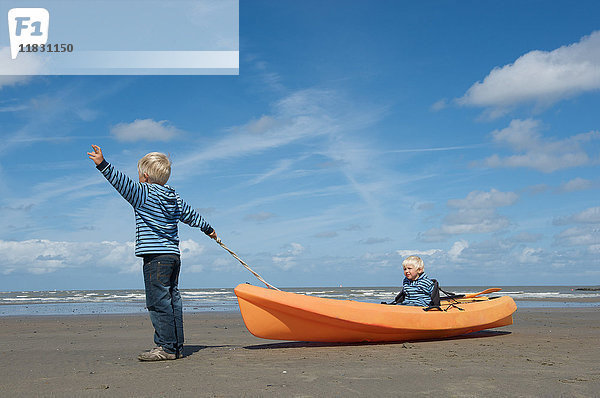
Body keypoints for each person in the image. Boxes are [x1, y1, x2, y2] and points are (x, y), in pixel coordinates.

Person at [87, 145, 218, 361]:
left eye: (138, 173)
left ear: (145, 176)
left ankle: (166, 348)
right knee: (172, 299)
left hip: (155, 257)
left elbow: (120, 183)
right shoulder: (173, 196)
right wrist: (208, 229)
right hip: (173, 257)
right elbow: (192, 215)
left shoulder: (142, 193)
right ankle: (176, 346)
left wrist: (102, 164)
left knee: (158, 302)